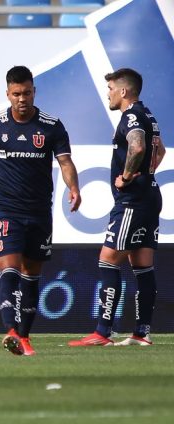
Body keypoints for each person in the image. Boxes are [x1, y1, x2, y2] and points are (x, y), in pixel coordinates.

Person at [0, 66, 81, 356]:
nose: (22, 99)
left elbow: (65, 162)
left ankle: (24, 337)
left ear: (34, 91)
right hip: (5, 209)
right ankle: (11, 330)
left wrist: (74, 188)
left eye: (26, 92)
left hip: (39, 211)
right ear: (7, 94)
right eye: (16, 94)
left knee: (32, 274)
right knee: (9, 267)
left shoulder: (51, 126)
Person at [69, 68, 165, 347]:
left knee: (108, 260)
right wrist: (145, 175)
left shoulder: (132, 116)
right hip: (149, 196)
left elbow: (136, 149)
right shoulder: (148, 115)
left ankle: (102, 332)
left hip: (133, 201)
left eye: (111, 88)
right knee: (142, 265)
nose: (108, 93)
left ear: (123, 91)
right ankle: (141, 333)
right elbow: (159, 152)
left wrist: (126, 177)